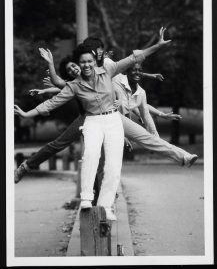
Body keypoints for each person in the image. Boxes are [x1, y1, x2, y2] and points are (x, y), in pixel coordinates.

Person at [15, 31, 171, 220]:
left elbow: (132, 66)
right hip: (87, 118)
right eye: (92, 53)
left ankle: (105, 203)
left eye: (99, 52)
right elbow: (60, 85)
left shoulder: (107, 68)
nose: (95, 56)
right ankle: (26, 166)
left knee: (105, 163)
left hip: (110, 117)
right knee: (61, 145)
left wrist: (154, 61)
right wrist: (49, 69)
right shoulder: (79, 75)